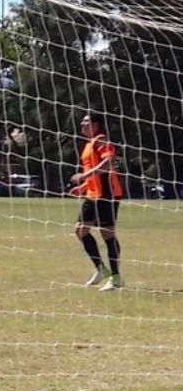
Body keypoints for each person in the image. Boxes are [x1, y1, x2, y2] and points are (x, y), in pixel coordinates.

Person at [70, 113, 124, 291]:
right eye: (82, 121)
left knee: (106, 233)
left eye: (86, 121)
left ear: (96, 124)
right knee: (80, 230)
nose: (82, 124)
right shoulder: (88, 144)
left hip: (107, 193)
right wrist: (84, 186)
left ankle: (116, 278)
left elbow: (108, 164)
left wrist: (84, 176)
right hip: (93, 194)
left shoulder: (102, 141)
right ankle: (101, 269)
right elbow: (96, 172)